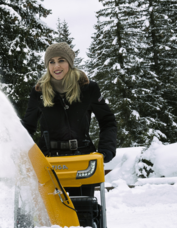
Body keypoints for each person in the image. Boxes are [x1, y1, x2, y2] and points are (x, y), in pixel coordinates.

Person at [18, 42, 117, 195]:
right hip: (48, 161)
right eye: (51, 62)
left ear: (69, 63)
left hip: (82, 159)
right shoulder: (39, 91)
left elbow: (107, 121)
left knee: (83, 211)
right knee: (50, 215)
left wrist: (105, 151)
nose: (56, 66)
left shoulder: (88, 88)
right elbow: (28, 127)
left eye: (61, 60)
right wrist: (18, 152)